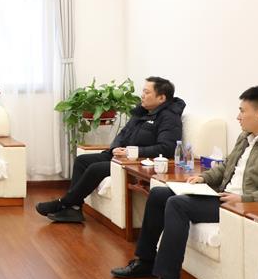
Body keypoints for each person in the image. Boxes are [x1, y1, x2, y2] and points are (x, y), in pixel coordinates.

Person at [111, 86, 258, 279]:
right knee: (159, 194)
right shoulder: (246, 137)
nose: (238, 117)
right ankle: (146, 261)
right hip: (224, 197)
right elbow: (226, 166)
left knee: (177, 204)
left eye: (242, 111)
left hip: (244, 206)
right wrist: (203, 178)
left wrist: (246, 199)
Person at [37, 76, 185, 223]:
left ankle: (63, 203)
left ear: (161, 98)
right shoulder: (141, 112)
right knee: (82, 161)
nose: (142, 95)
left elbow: (167, 148)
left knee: (95, 168)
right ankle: (74, 209)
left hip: (137, 163)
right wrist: (115, 147)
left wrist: (132, 152)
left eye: (147, 92)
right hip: (121, 157)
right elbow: (123, 133)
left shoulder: (169, 117)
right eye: (143, 91)